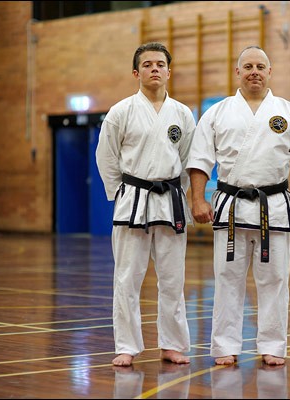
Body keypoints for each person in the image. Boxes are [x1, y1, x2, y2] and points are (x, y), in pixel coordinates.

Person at [187, 45, 290, 366]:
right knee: (226, 279)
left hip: (273, 206)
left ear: (270, 72)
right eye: (247, 66)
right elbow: (199, 161)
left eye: (260, 66)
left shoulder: (289, 112)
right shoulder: (218, 112)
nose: (254, 72)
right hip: (231, 206)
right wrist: (197, 199)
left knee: (275, 280)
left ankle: (273, 345)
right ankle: (224, 346)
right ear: (237, 72)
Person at [96, 42, 195, 366]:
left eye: (160, 64)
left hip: (170, 200)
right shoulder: (121, 112)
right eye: (148, 64)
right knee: (127, 277)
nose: (155, 69)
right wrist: (119, 193)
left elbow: (187, 159)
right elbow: (106, 157)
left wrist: (181, 195)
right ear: (136, 73)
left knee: (172, 278)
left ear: (169, 71)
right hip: (133, 201)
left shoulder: (181, 114)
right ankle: (126, 346)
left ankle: (172, 343)